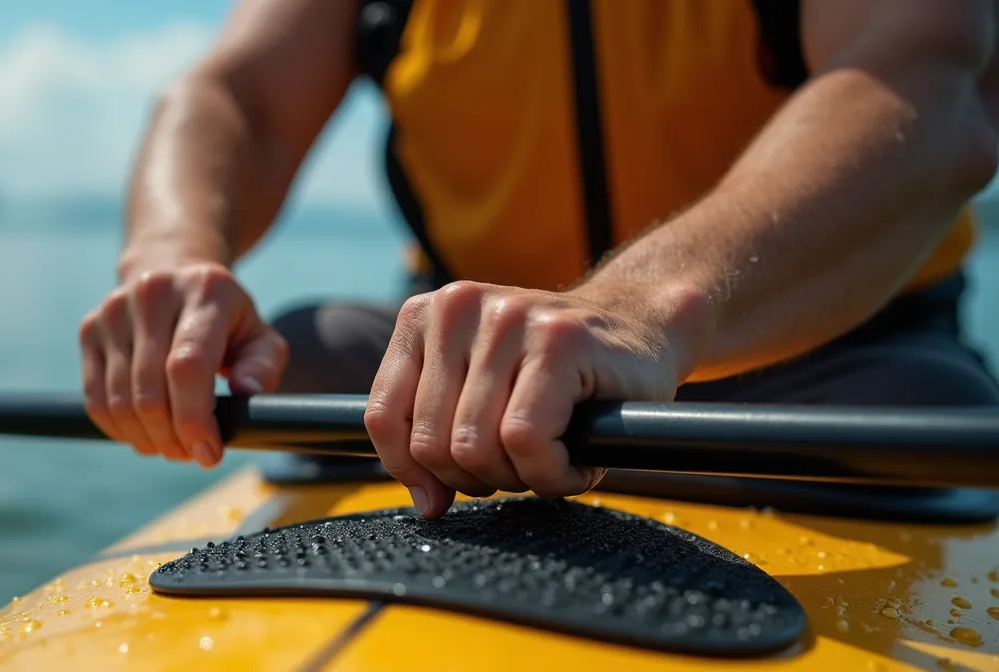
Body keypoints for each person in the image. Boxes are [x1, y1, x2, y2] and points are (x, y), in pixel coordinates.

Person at [78, 0, 999, 519]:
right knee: (296, 352)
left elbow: (922, 81)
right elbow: (237, 96)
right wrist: (172, 256)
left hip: (825, 377)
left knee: (925, 410)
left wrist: (634, 314)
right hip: (459, 383)